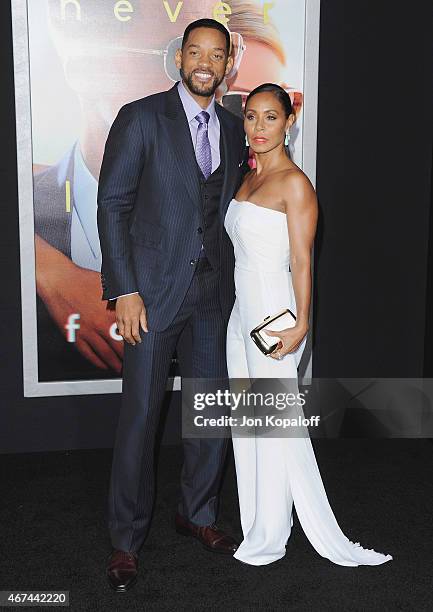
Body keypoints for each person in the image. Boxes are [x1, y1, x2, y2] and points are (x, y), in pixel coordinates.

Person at [97, 19, 249, 591]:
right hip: (151, 296)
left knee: (209, 413)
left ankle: (198, 513)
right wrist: (124, 288)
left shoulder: (233, 128)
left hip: (214, 296)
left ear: (228, 62)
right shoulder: (141, 118)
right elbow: (112, 203)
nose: (205, 62)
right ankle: (125, 540)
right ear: (179, 58)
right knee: (140, 418)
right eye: (195, 52)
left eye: (216, 53)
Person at [224, 83, 393, 566]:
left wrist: (301, 324)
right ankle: (258, 520)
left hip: (275, 314)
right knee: (249, 419)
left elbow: (303, 260)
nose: (258, 128)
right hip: (242, 315)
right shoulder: (250, 178)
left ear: (289, 121)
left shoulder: (295, 185)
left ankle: (270, 535)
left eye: (270, 118)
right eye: (251, 117)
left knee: (273, 422)